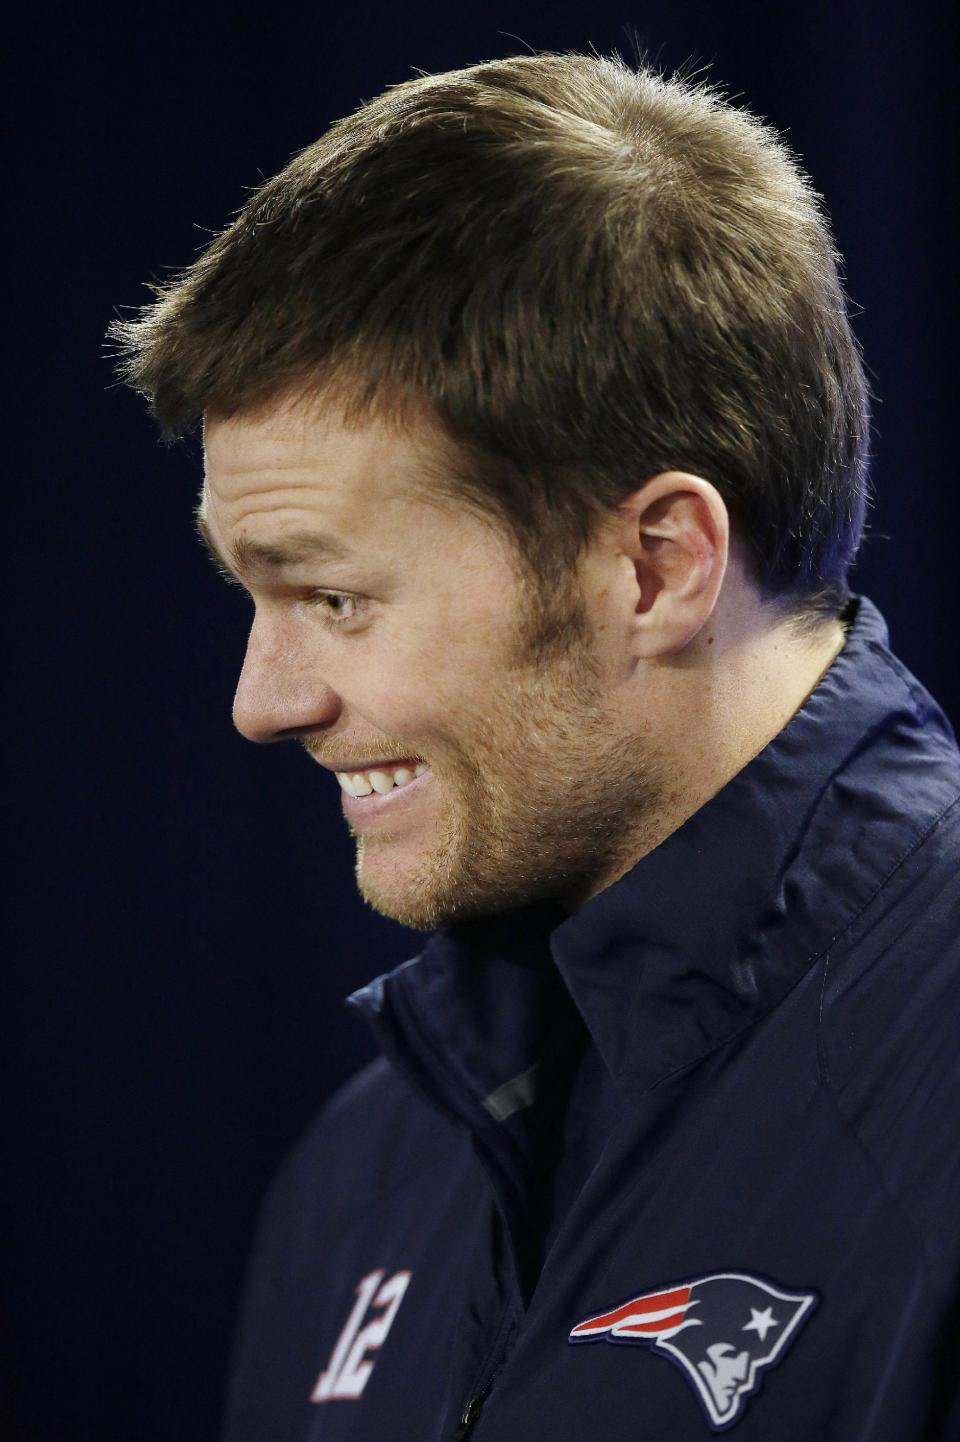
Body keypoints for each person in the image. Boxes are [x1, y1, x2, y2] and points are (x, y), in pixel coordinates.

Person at [109, 49, 959, 1442]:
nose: (263, 701)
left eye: (332, 594)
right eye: (248, 596)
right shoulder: (358, 1177)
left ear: (656, 565)